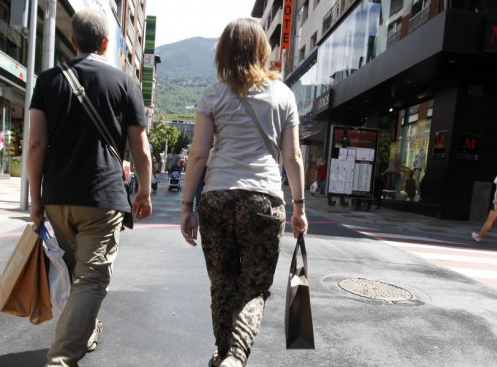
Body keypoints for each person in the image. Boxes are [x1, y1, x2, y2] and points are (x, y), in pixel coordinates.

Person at [27, 9, 152, 366]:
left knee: (74, 274)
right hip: (102, 200)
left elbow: (35, 145)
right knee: (91, 280)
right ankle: (61, 359)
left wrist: (35, 200)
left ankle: (87, 329)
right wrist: (143, 191)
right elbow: (140, 148)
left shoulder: (48, 81)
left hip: (58, 198)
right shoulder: (124, 83)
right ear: (106, 43)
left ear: (72, 41)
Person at [179, 19, 307, 367]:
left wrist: (187, 205)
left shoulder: (213, 94)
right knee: (254, 287)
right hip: (263, 201)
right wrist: (299, 207)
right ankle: (236, 357)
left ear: (225, 52)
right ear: (262, 50)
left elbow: (199, 155)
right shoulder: (283, 94)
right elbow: (293, 156)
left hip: (217, 198)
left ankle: (222, 355)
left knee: (221, 283)